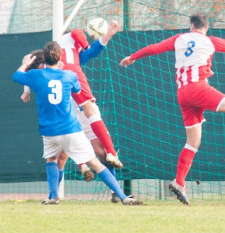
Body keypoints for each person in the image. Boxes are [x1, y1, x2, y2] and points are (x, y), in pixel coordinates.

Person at [120, 14, 225, 205]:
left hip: (182, 93)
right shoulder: (210, 41)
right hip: (198, 88)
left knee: (193, 142)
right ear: (206, 28)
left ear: (191, 26)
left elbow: (154, 48)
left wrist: (133, 57)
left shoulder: (179, 39)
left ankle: (179, 182)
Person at [13, 41, 141, 205]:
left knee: (52, 159)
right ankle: (122, 196)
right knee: (95, 163)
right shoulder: (69, 75)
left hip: (50, 131)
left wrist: (25, 64)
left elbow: (16, 76)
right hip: (71, 129)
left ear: (43, 58)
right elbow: (78, 90)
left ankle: (53, 196)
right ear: (60, 58)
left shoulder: (36, 76)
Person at [55, 22, 123, 169]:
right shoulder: (71, 39)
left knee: (90, 146)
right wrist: (86, 44)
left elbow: (88, 55)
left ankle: (82, 164)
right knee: (92, 112)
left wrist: (106, 36)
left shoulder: (63, 53)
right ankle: (111, 153)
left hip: (65, 94)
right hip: (72, 77)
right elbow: (77, 32)